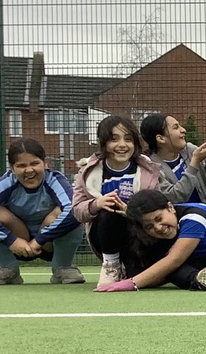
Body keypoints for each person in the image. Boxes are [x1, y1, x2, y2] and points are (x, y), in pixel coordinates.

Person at [0, 138, 85, 285]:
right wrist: (12, 241)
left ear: (45, 163)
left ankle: (63, 267)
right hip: (17, 242)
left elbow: (74, 209)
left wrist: (39, 240)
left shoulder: (54, 180)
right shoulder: (7, 182)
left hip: (49, 242)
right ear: (12, 168)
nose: (29, 170)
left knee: (73, 210)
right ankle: (7, 268)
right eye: (21, 165)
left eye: (35, 163)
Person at [71, 115, 166, 288]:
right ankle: (111, 264)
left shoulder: (147, 169)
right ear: (103, 143)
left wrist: (132, 211)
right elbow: (77, 210)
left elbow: (158, 207)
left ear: (135, 143)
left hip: (138, 234)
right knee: (109, 209)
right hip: (104, 234)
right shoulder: (87, 171)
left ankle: (131, 264)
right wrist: (96, 204)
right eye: (114, 139)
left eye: (128, 139)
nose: (122, 145)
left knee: (142, 281)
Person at [139, 113, 206, 206]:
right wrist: (194, 163)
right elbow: (175, 197)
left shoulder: (189, 150)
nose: (183, 130)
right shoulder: (151, 167)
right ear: (161, 138)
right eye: (176, 127)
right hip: (180, 218)